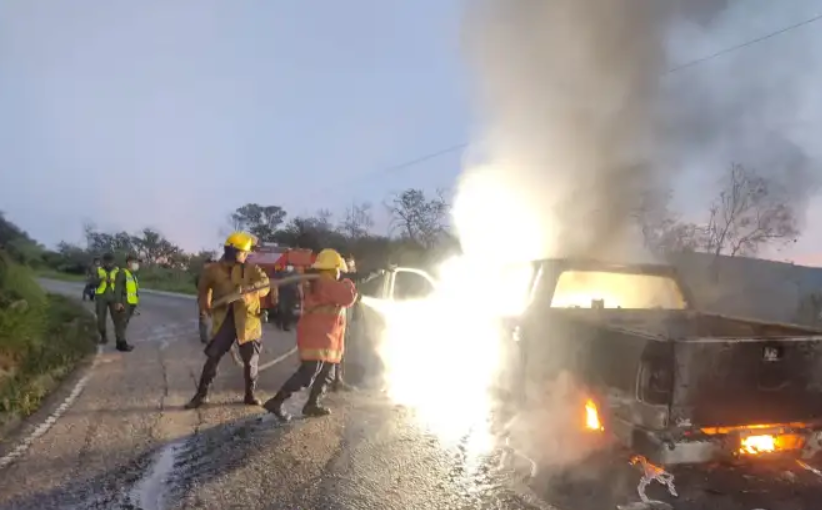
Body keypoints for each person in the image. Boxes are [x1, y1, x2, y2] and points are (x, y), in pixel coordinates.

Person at [263, 248, 357, 421]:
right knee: (308, 374)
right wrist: (349, 283)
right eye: (338, 270)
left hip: (325, 337)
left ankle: (312, 404)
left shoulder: (319, 282)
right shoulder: (327, 282)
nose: (340, 273)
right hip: (319, 337)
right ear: (332, 268)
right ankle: (276, 401)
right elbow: (347, 298)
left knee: (325, 373)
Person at [185, 232, 270, 409]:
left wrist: (250, 290)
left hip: (248, 322)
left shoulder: (252, 269)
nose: (246, 255)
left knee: (250, 361)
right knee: (213, 357)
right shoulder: (213, 270)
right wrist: (205, 307)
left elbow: (265, 285)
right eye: (243, 252)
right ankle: (201, 395)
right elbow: (203, 290)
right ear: (234, 252)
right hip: (224, 320)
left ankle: (250, 394)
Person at [93, 253, 134, 352]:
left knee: (118, 321)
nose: (109, 264)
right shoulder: (98, 270)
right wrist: (102, 279)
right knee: (100, 320)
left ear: (114, 262)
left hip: (114, 297)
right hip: (101, 297)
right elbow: (92, 283)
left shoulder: (118, 271)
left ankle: (120, 342)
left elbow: (123, 284)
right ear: (104, 261)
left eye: (110, 261)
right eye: (107, 261)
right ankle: (103, 337)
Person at [112, 254, 140, 349]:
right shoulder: (122, 273)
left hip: (131, 302)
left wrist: (135, 304)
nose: (136, 264)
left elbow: (134, 290)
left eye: (137, 262)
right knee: (121, 323)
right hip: (124, 301)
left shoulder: (132, 275)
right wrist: (118, 302)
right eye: (134, 262)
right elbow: (118, 288)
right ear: (128, 262)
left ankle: (120, 342)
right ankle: (121, 344)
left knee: (124, 323)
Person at [195, 257, 215, 344]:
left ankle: (204, 337)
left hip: (204, 298)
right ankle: (206, 338)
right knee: (205, 318)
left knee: (203, 318)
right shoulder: (205, 275)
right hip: (205, 299)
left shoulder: (205, 275)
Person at [276, 265, 299, 331]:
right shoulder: (282, 273)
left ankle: (286, 326)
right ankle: (279, 323)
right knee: (281, 309)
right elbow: (278, 283)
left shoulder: (296, 273)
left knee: (289, 310)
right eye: (288, 265)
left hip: (292, 293)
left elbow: (298, 283)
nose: (289, 267)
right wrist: (276, 292)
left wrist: (299, 293)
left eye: (291, 265)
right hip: (283, 292)